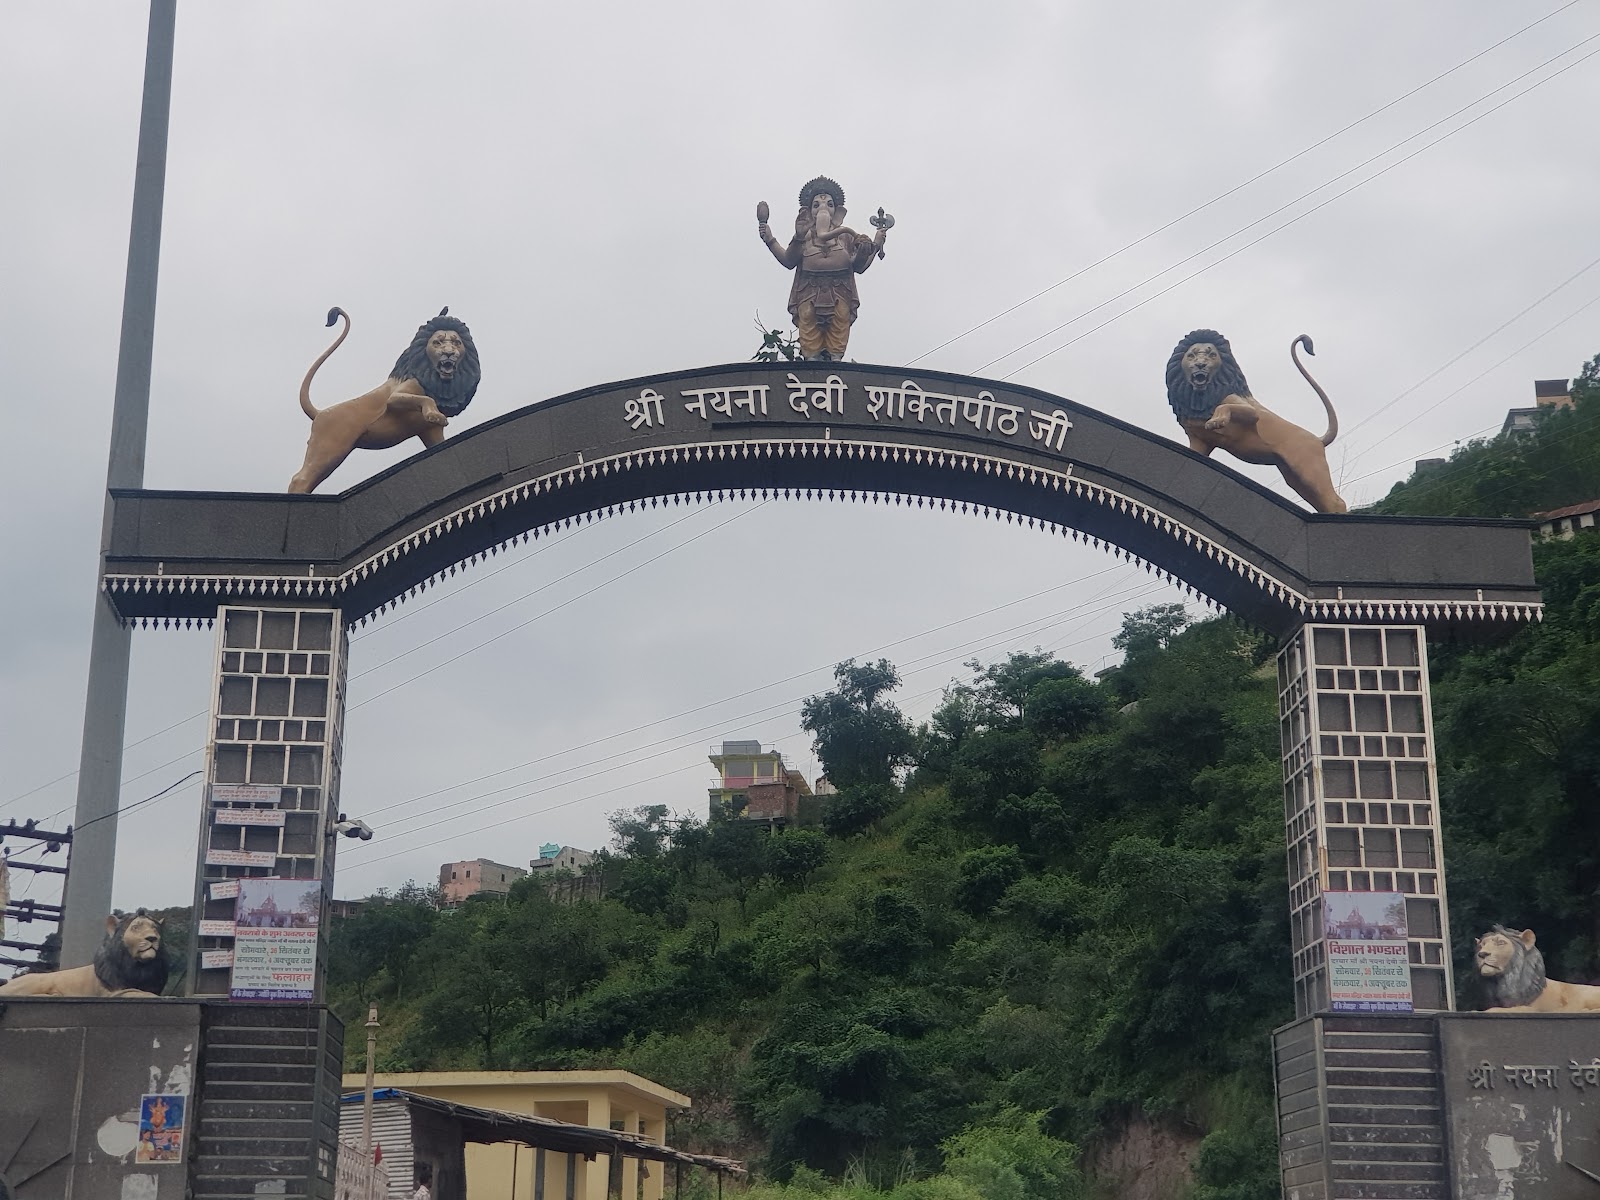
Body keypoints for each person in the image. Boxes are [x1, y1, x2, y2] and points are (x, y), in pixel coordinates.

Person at [758, 176, 888, 360]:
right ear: (808, 212)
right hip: (808, 293)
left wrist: (872, 246)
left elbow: (859, 266)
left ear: (838, 212)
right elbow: (788, 261)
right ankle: (812, 367)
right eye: (816, 205)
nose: (823, 209)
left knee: (837, 341)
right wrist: (771, 240)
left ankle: (834, 368)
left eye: (829, 204)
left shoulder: (845, 237)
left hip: (840, 292)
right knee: (810, 343)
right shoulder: (805, 237)